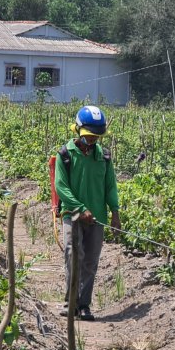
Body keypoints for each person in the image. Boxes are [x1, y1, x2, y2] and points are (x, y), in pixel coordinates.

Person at [55, 105, 120, 321]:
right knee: (73, 256)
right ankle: (71, 303)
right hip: (72, 217)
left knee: (90, 261)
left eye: (96, 137)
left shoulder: (104, 157)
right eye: (88, 136)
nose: (92, 141)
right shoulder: (65, 155)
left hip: (97, 218)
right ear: (78, 130)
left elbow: (110, 186)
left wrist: (115, 212)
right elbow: (61, 187)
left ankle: (84, 305)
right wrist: (80, 209)